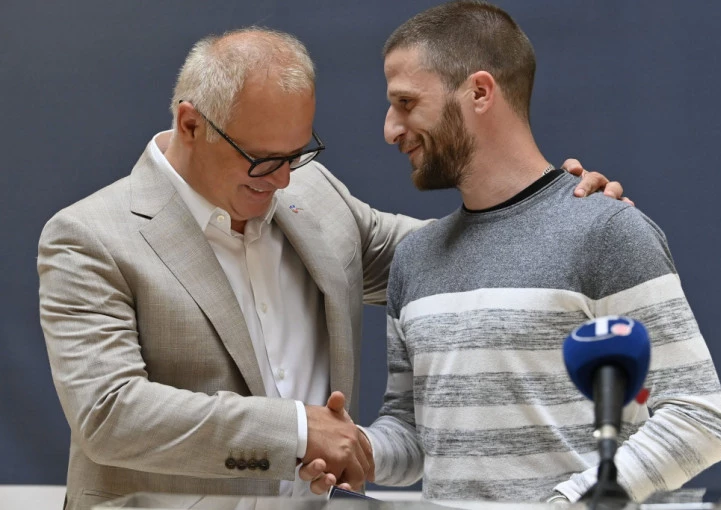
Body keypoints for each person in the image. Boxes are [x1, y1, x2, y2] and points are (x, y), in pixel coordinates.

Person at [38, 26, 625, 510]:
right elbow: (110, 414)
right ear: (191, 125)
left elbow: (448, 257)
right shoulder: (90, 236)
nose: (283, 180)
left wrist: (558, 217)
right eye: (263, 160)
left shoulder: (314, 196)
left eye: (296, 154)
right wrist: (298, 430)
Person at [300, 0, 721, 504]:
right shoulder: (415, 258)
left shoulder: (608, 231)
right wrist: (357, 448)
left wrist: (569, 502)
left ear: (480, 92)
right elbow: (416, 432)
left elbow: (699, 418)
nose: (390, 129)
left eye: (407, 103)